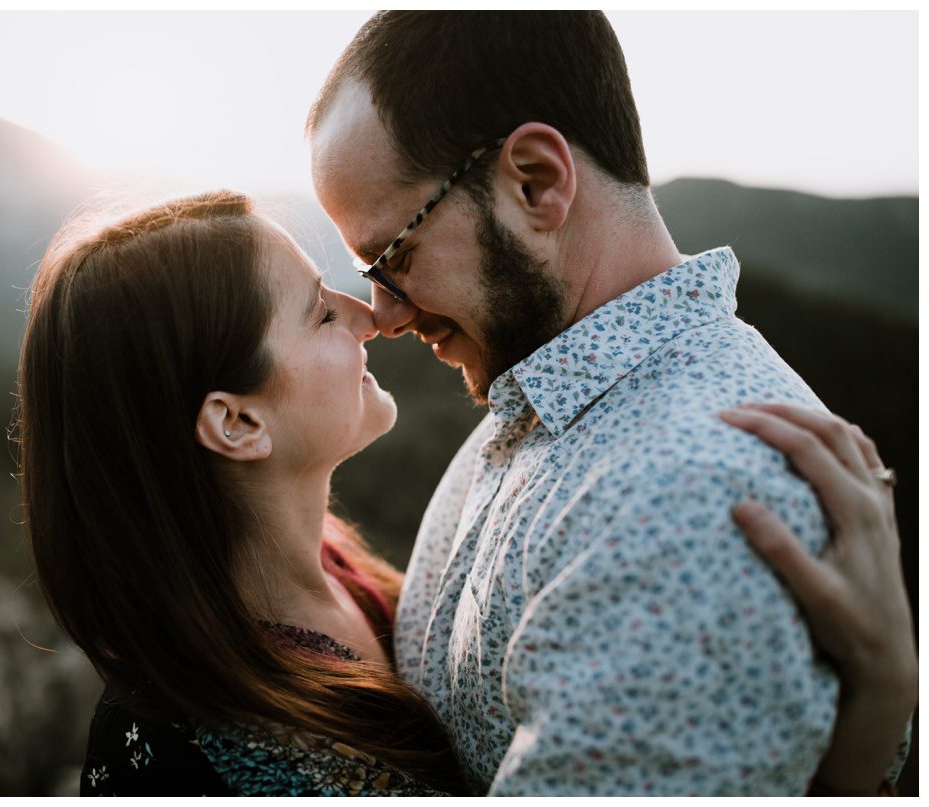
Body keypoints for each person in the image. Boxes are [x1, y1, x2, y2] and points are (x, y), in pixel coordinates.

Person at [14, 190, 913, 796]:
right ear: (238, 423)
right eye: (322, 311)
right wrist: (878, 700)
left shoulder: (328, 574)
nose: (372, 314)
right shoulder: (237, 759)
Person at [305, 11, 916, 796]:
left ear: (537, 181)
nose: (383, 314)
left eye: (393, 257)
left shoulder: (690, 506)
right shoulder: (538, 403)